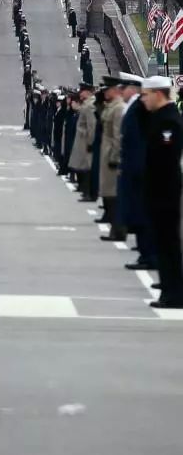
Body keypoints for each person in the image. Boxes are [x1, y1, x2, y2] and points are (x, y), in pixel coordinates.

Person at [139, 76, 183, 307]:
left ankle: (173, 293)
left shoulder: (168, 122)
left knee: (168, 245)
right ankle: (169, 289)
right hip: (159, 190)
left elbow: (165, 160)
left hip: (165, 191)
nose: (143, 100)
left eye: (146, 95)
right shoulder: (160, 118)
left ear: (158, 94)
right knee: (163, 242)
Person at [117, 74, 156, 270]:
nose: (121, 91)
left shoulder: (139, 108)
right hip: (133, 169)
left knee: (142, 213)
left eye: (124, 88)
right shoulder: (134, 107)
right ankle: (144, 253)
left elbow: (140, 141)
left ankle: (148, 255)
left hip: (138, 171)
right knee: (137, 212)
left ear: (134, 88)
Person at [99, 76, 127, 240]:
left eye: (108, 89)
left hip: (112, 156)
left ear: (116, 90)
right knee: (110, 195)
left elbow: (118, 135)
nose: (105, 93)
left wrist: (115, 157)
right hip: (107, 153)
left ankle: (118, 230)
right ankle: (114, 228)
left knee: (115, 196)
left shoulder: (118, 108)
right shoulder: (112, 106)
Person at [69, 82, 97, 200]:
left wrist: (91, 142)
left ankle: (89, 193)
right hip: (83, 140)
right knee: (83, 167)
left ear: (88, 92)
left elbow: (91, 125)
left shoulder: (90, 105)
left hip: (86, 141)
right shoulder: (87, 104)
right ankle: (86, 191)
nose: (80, 93)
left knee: (87, 168)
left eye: (83, 90)